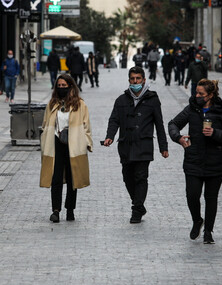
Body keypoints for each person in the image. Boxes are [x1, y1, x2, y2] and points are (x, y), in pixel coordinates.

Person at [168, 79, 222, 244]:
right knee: (192, 195)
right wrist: (179, 138)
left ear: (210, 95)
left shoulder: (221, 110)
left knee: (211, 197)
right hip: (193, 159)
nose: (196, 96)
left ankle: (208, 231)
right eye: (196, 92)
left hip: (216, 161)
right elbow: (173, 124)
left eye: (201, 94)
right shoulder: (192, 108)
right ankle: (197, 220)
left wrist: (214, 133)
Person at [103, 66, 169, 223]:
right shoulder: (121, 100)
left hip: (143, 144)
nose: (135, 81)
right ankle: (139, 204)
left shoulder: (152, 99)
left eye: (138, 79)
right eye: (132, 79)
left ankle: (136, 209)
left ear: (144, 80)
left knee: (141, 176)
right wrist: (109, 137)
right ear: (129, 81)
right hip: (125, 144)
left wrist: (163, 147)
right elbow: (114, 120)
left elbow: (159, 124)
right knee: (127, 177)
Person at [40, 74, 92, 223]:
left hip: (74, 144)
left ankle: (70, 209)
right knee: (55, 177)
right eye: (59, 86)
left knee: (72, 178)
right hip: (55, 143)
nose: (62, 88)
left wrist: (87, 143)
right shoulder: (52, 104)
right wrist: (43, 141)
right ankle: (55, 210)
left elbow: (86, 126)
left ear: (71, 86)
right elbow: (45, 124)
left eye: (64, 85)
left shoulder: (80, 104)